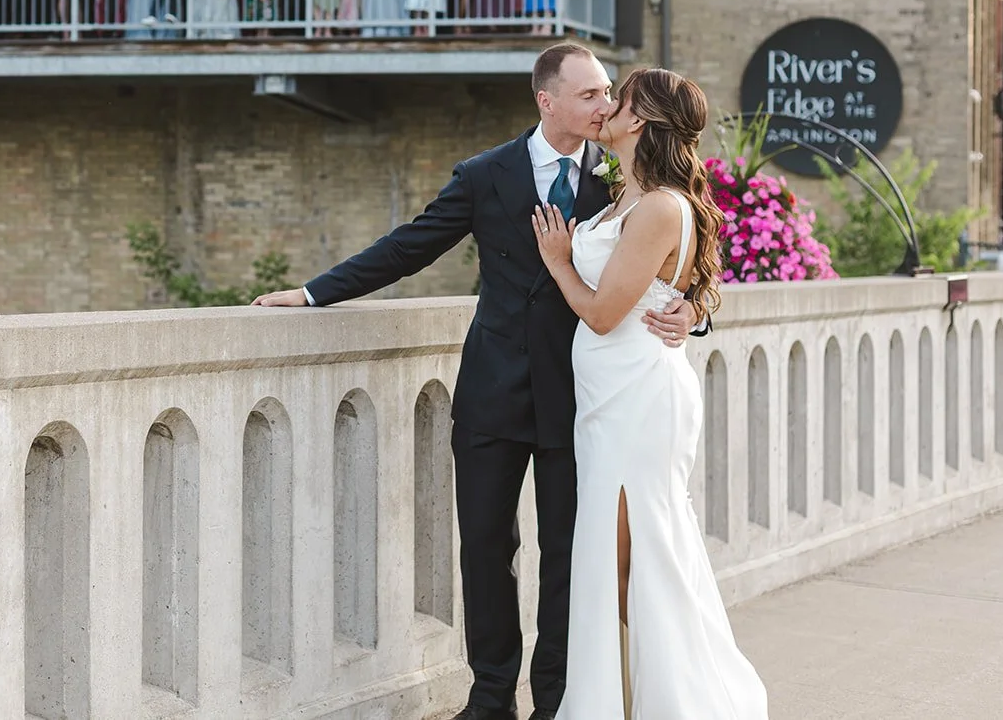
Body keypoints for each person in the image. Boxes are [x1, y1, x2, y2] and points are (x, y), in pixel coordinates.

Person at [253, 44, 701, 720]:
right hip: (493, 391)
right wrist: (314, 292)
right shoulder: (486, 173)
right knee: (487, 548)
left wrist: (695, 311)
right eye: (588, 95)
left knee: (570, 559)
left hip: (589, 402)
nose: (604, 105)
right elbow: (409, 246)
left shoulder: (623, 177)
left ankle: (557, 698)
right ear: (546, 100)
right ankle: (491, 694)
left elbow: (682, 262)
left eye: (609, 92)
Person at [531, 66, 766, 719]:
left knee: (634, 564)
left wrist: (557, 261)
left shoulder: (662, 204)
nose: (606, 105)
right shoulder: (623, 197)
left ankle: (677, 703)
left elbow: (604, 313)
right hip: (608, 401)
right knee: (619, 561)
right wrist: (689, 304)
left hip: (638, 398)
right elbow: (657, 291)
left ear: (639, 119)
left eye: (618, 97)